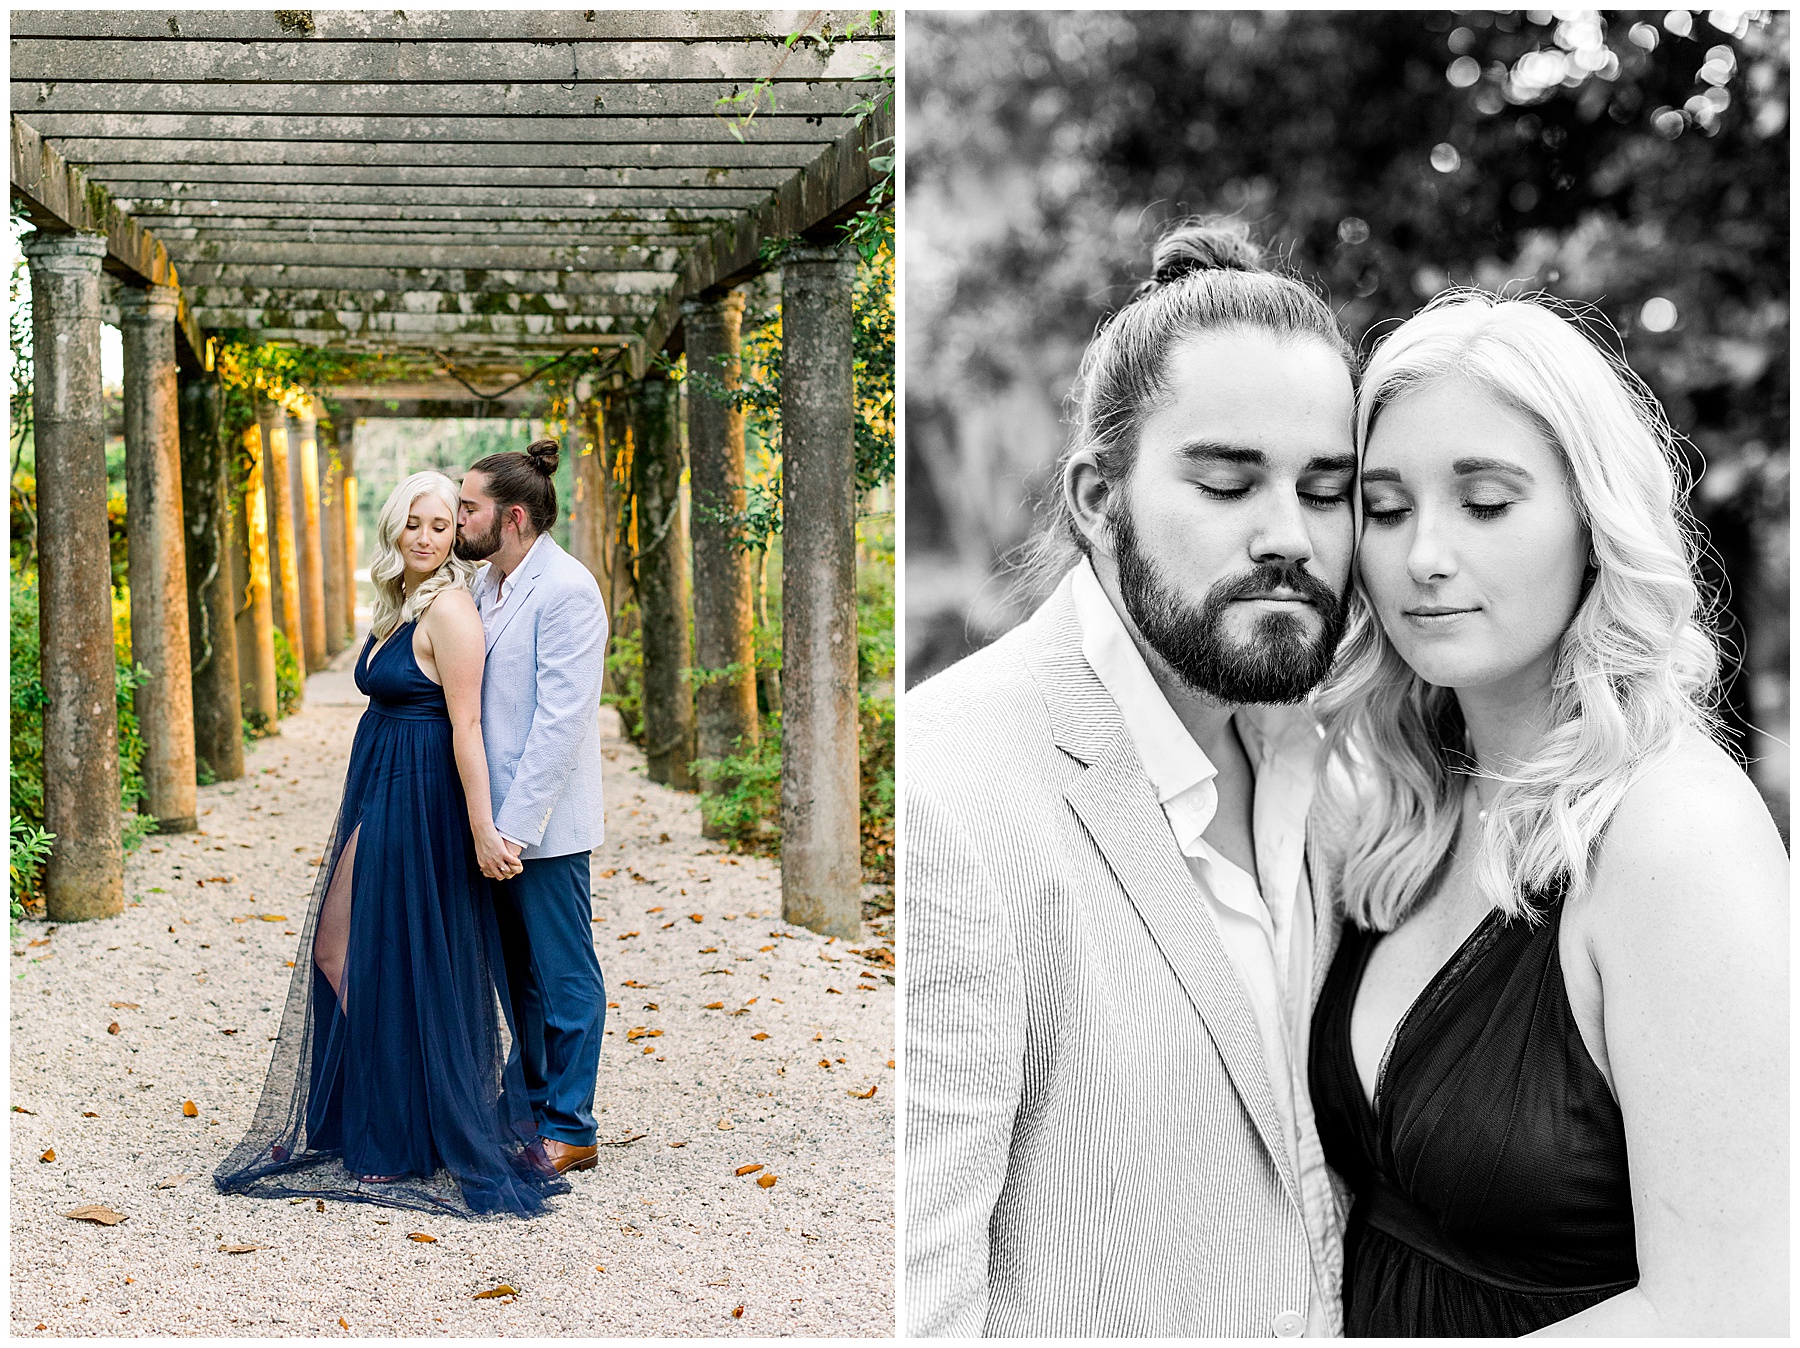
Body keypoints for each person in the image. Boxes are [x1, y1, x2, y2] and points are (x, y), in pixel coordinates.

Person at [904, 220, 1359, 1336]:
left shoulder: (1349, 768)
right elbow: (919, 1292)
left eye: (1329, 487)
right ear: (1099, 500)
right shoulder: (950, 795)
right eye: (1227, 481)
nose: (1289, 535)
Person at [1307, 291, 1788, 1337]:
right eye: (1385, 509)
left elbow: (1731, 1312)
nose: (1423, 555)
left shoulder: (1678, 837)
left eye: (1485, 502)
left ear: (1593, 518)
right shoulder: (1408, 803)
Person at [215, 471, 567, 1217]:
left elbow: (467, 728)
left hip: (422, 793)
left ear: (455, 537)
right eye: (415, 522)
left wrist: (481, 827)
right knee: (339, 949)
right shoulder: (396, 605)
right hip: (379, 784)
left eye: (442, 525)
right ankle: (387, 1111)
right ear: (394, 526)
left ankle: (407, 1129)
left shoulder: (451, 612)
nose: (427, 536)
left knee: (391, 953)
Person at [454, 439, 610, 1178]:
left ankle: (572, 1125)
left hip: (540, 827)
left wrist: (511, 829)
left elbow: (561, 723)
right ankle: (536, 1103)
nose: (458, 519)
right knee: (515, 977)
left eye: (469, 508)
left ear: (511, 517)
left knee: (564, 976)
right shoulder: (486, 585)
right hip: (491, 826)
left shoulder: (568, 590)